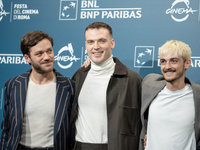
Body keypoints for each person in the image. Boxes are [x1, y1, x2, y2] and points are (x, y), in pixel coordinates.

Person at [70, 22, 143, 150]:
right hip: (79, 146)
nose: (96, 46)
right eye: (90, 42)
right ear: (86, 45)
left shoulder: (132, 79)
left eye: (102, 41)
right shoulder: (79, 75)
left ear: (112, 43)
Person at [0, 31, 75, 150]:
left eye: (49, 51)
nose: (47, 57)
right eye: (39, 54)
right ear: (27, 58)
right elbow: (6, 127)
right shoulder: (13, 85)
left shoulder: (69, 86)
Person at [139, 40, 200, 150]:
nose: (167, 66)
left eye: (174, 61)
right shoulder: (149, 86)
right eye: (163, 61)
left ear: (187, 63)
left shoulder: (197, 96)